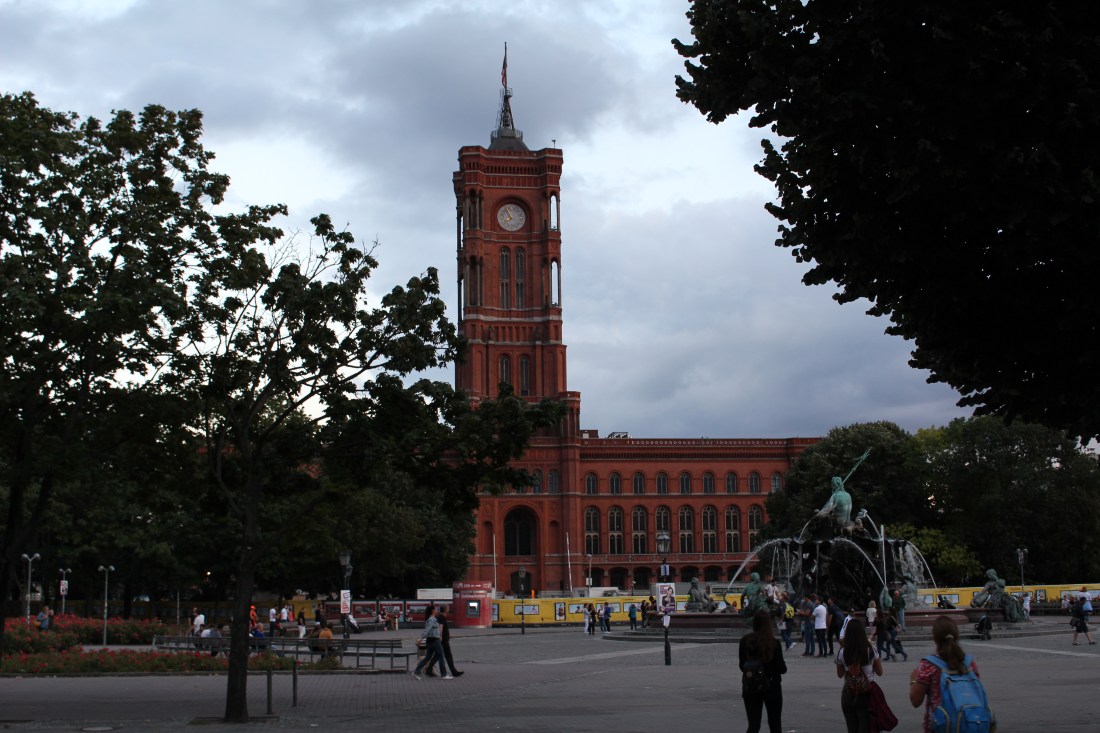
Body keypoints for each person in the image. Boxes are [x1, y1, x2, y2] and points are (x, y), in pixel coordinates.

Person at [909, 616, 981, 732]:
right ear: (956, 635)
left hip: (940, 725)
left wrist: (913, 679)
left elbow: (915, 701)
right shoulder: (969, 663)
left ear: (935, 638)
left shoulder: (929, 664)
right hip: (969, 722)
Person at [739, 609, 787, 733]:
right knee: (775, 724)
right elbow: (781, 668)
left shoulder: (745, 641)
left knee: (754, 725)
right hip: (772, 686)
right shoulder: (774, 643)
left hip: (751, 686)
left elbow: (741, 666)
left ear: (754, 623)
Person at [835, 618, 883, 733]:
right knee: (867, 727)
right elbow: (880, 672)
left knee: (852, 728)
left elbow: (839, 674)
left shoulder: (843, 651)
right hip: (867, 691)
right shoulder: (870, 649)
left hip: (849, 691)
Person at [412, 606, 451, 679]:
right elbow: (427, 630)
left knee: (427, 657)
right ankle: (444, 674)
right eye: (435, 610)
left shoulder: (431, 619)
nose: (437, 611)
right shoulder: (432, 620)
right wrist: (421, 639)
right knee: (441, 656)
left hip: (430, 641)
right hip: (435, 641)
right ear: (433, 611)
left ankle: (416, 671)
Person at [437, 609, 464, 677]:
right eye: (448, 608)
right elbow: (441, 627)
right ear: (445, 610)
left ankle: (429, 669)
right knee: (448, 656)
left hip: (443, 639)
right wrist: (440, 636)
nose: (449, 609)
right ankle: (453, 672)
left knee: (436, 656)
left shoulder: (441, 617)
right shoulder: (441, 617)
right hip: (444, 640)